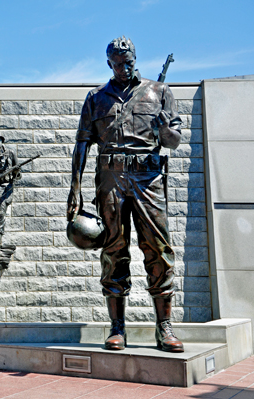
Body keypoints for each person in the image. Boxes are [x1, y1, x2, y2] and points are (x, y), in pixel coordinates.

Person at [66, 36, 184, 352]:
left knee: (158, 248)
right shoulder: (96, 98)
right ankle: (117, 327)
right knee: (114, 250)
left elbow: (173, 141)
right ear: (109, 64)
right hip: (110, 179)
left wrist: (164, 130)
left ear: (135, 59)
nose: (122, 68)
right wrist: (75, 188)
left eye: (127, 62)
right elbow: (82, 143)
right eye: (117, 64)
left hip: (148, 177)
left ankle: (164, 327)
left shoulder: (159, 92)